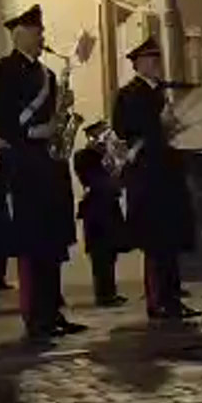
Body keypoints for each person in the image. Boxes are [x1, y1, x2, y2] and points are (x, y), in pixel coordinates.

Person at [0, 5, 83, 343]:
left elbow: (53, 119)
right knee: (32, 242)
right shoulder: (2, 70)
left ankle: (53, 311)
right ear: (19, 33)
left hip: (49, 166)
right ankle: (35, 315)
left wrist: (62, 112)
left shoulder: (49, 76)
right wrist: (32, 132)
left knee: (52, 242)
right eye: (37, 32)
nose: (42, 38)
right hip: (23, 166)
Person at [115, 36, 200, 322]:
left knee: (171, 241)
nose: (155, 65)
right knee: (155, 242)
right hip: (149, 177)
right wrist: (159, 123)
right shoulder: (129, 93)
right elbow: (124, 128)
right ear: (137, 63)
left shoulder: (161, 93)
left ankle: (173, 298)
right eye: (150, 60)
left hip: (168, 175)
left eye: (157, 59)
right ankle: (158, 300)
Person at [73, 120, 130, 308]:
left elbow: (118, 178)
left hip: (109, 206)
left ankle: (110, 292)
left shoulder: (106, 154)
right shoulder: (84, 155)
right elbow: (91, 178)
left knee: (111, 252)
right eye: (100, 133)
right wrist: (102, 153)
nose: (104, 137)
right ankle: (103, 295)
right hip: (95, 209)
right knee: (100, 255)